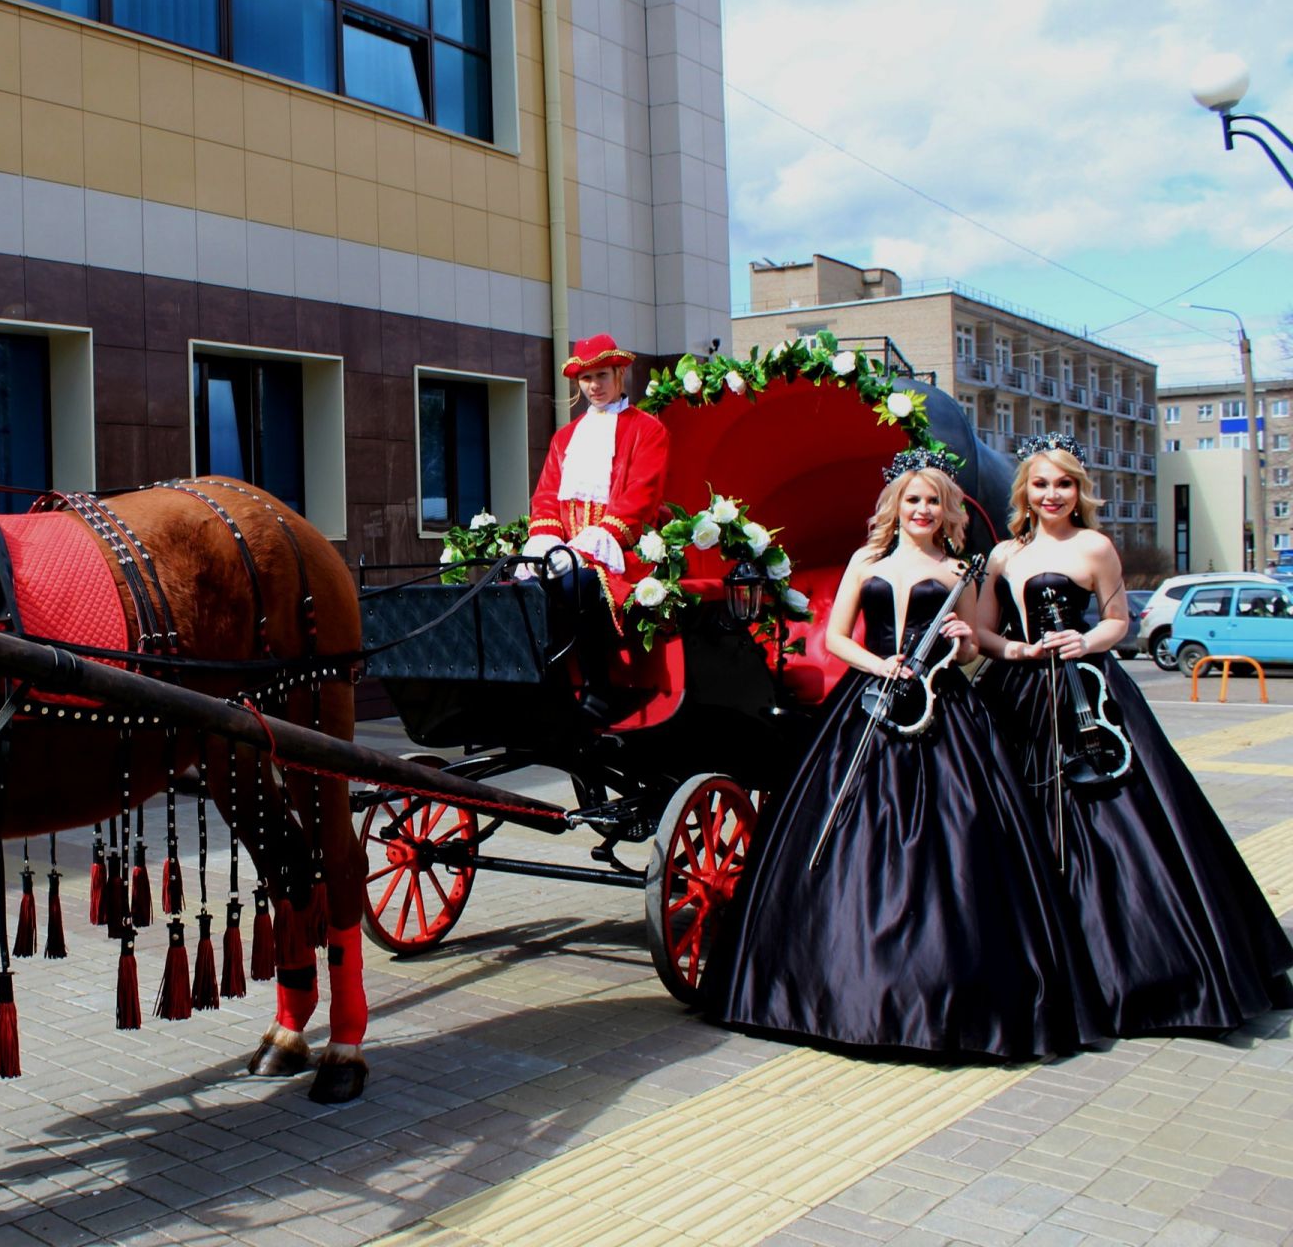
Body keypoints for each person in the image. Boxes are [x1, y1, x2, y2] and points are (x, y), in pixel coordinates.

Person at [706, 451, 1105, 1061]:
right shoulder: (866, 561)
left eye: (934, 501)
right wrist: (878, 664)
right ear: (897, 505)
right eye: (913, 499)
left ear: (949, 510)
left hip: (940, 709)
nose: (923, 509)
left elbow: (973, 652)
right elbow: (838, 635)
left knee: (962, 844)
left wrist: (964, 640)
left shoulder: (960, 570)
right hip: (866, 700)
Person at [975, 434, 1293, 1036]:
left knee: (1122, 820)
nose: (1051, 494)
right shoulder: (1001, 556)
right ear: (1025, 490)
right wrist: (1015, 648)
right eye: (1040, 484)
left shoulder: (1096, 547)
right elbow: (986, 633)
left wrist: (1082, 640)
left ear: (1078, 491)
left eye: (1063, 483)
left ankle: (1141, 969)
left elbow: (1120, 623)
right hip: (1016, 696)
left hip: (1086, 693)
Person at [517, 334, 669, 718]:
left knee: (578, 585)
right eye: (586, 379)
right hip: (564, 552)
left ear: (619, 374)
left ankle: (597, 688)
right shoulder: (565, 437)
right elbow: (547, 495)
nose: (594, 386)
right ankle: (541, 687)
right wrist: (547, 539)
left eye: (601, 375)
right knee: (522, 588)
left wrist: (585, 549)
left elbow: (640, 498)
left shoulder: (647, 430)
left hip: (620, 555)